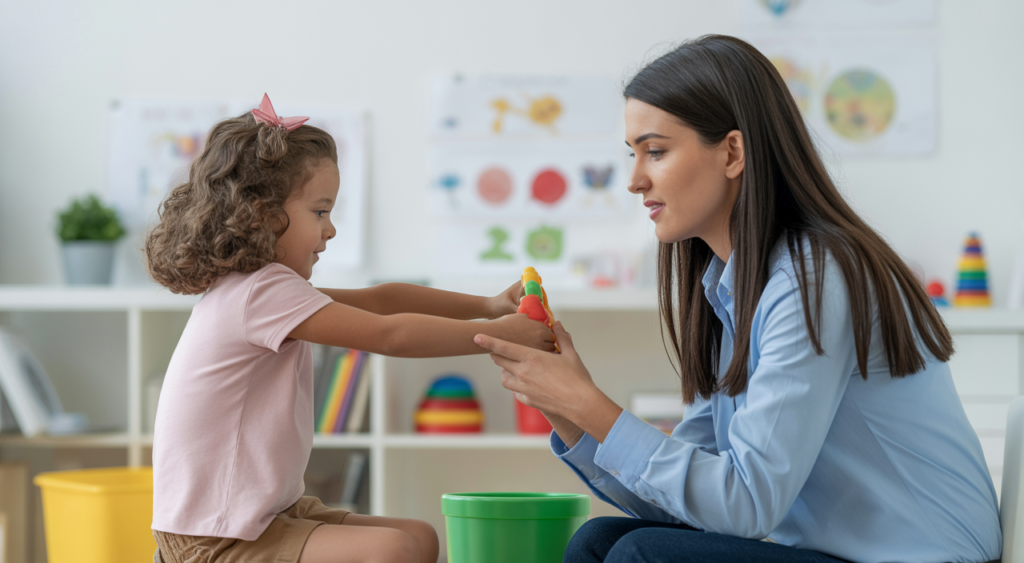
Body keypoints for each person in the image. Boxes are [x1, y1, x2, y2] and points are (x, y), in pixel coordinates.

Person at [474, 36, 1002, 563]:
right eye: (632, 154)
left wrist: (587, 403)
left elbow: (747, 505)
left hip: (923, 557)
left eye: (655, 151)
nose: (634, 180)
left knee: (641, 555)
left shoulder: (814, 278)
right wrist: (566, 408)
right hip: (838, 554)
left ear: (732, 152)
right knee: (600, 541)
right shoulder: (729, 290)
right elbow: (686, 508)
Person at [145, 94, 554, 563]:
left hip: (258, 515)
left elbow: (381, 301)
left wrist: (487, 306)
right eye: (320, 212)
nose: (331, 229)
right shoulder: (260, 291)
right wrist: (501, 335)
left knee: (419, 538)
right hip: (215, 537)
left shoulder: (260, 287)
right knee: (393, 550)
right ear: (262, 213)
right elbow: (389, 335)